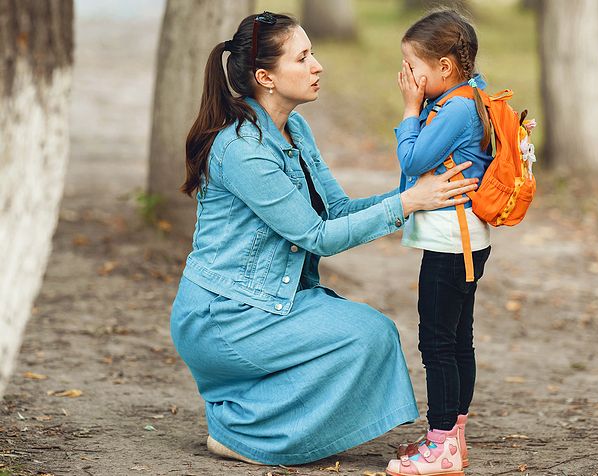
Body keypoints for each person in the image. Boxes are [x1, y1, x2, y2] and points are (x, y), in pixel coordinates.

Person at [169, 11, 479, 467]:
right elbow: (318, 236)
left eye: (312, 53)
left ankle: (249, 413)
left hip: (274, 300)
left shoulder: (295, 128)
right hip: (226, 315)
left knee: (370, 335)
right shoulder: (244, 150)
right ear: (265, 78)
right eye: (303, 57)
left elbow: (336, 210)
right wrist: (409, 204)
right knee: (365, 337)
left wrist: (415, 191)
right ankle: (241, 431)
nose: (318, 66)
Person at [386, 10, 494, 476]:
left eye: (414, 67)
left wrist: (410, 109)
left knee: (437, 343)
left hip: (453, 242)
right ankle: (453, 439)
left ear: (446, 67)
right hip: (468, 239)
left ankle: (442, 444)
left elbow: (413, 157)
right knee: (456, 339)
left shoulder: (456, 108)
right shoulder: (471, 94)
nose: (407, 76)